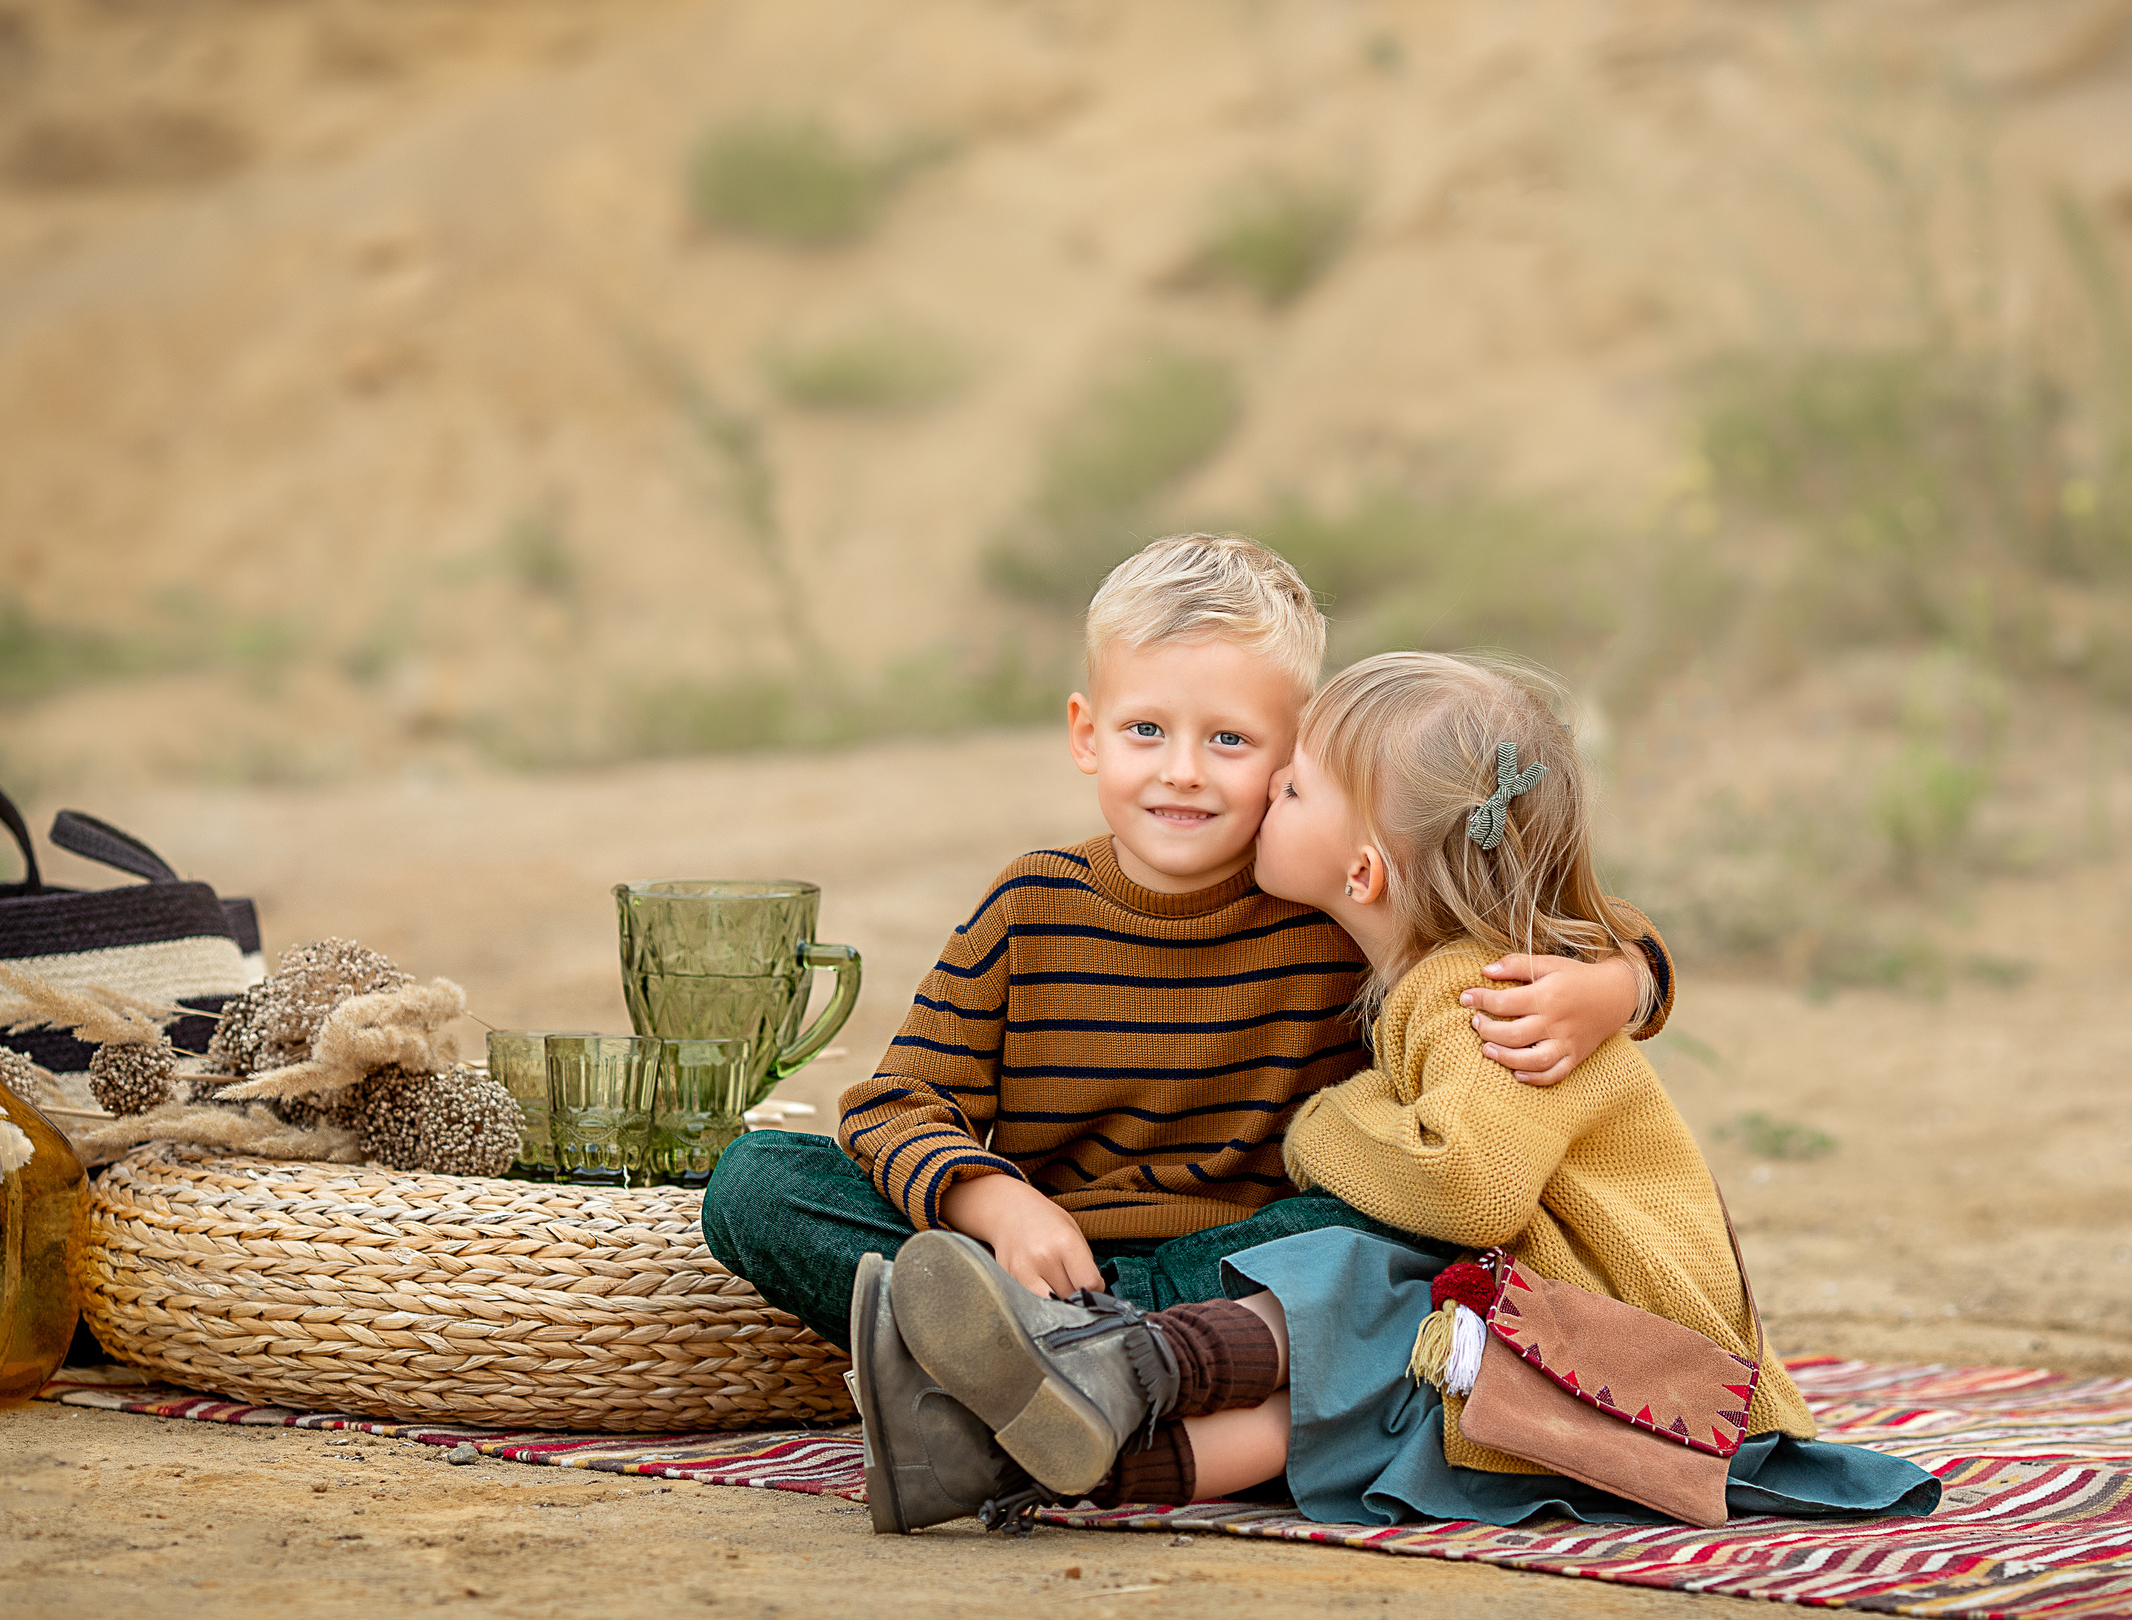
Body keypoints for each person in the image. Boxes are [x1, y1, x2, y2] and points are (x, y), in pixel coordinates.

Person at [703, 537, 1673, 1530]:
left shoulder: (1329, 899)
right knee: (758, 1185)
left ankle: (1041, 1386)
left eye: (1229, 741)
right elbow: (897, 1101)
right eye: (1145, 730)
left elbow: (1538, 903)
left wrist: (1617, 983)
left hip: (1240, 1286)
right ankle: (1034, 1365)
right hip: (1038, 1266)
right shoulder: (1030, 906)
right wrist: (996, 1204)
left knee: (1395, 1234)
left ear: (1298, 753)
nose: (1181, 774)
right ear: (1086, 734)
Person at [876, 652, 1940, 1530]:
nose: (1260, 794)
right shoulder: (1430, 966)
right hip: (1518, 1331)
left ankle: (1126, 1374)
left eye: (1288, 787)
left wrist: (1322, 1121)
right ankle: (1030, 1454)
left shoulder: (1481, 995)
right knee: (1334, 1383)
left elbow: (1467, 1191)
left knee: (1359, 1279)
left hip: (1625, 1348)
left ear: (1363, 876)